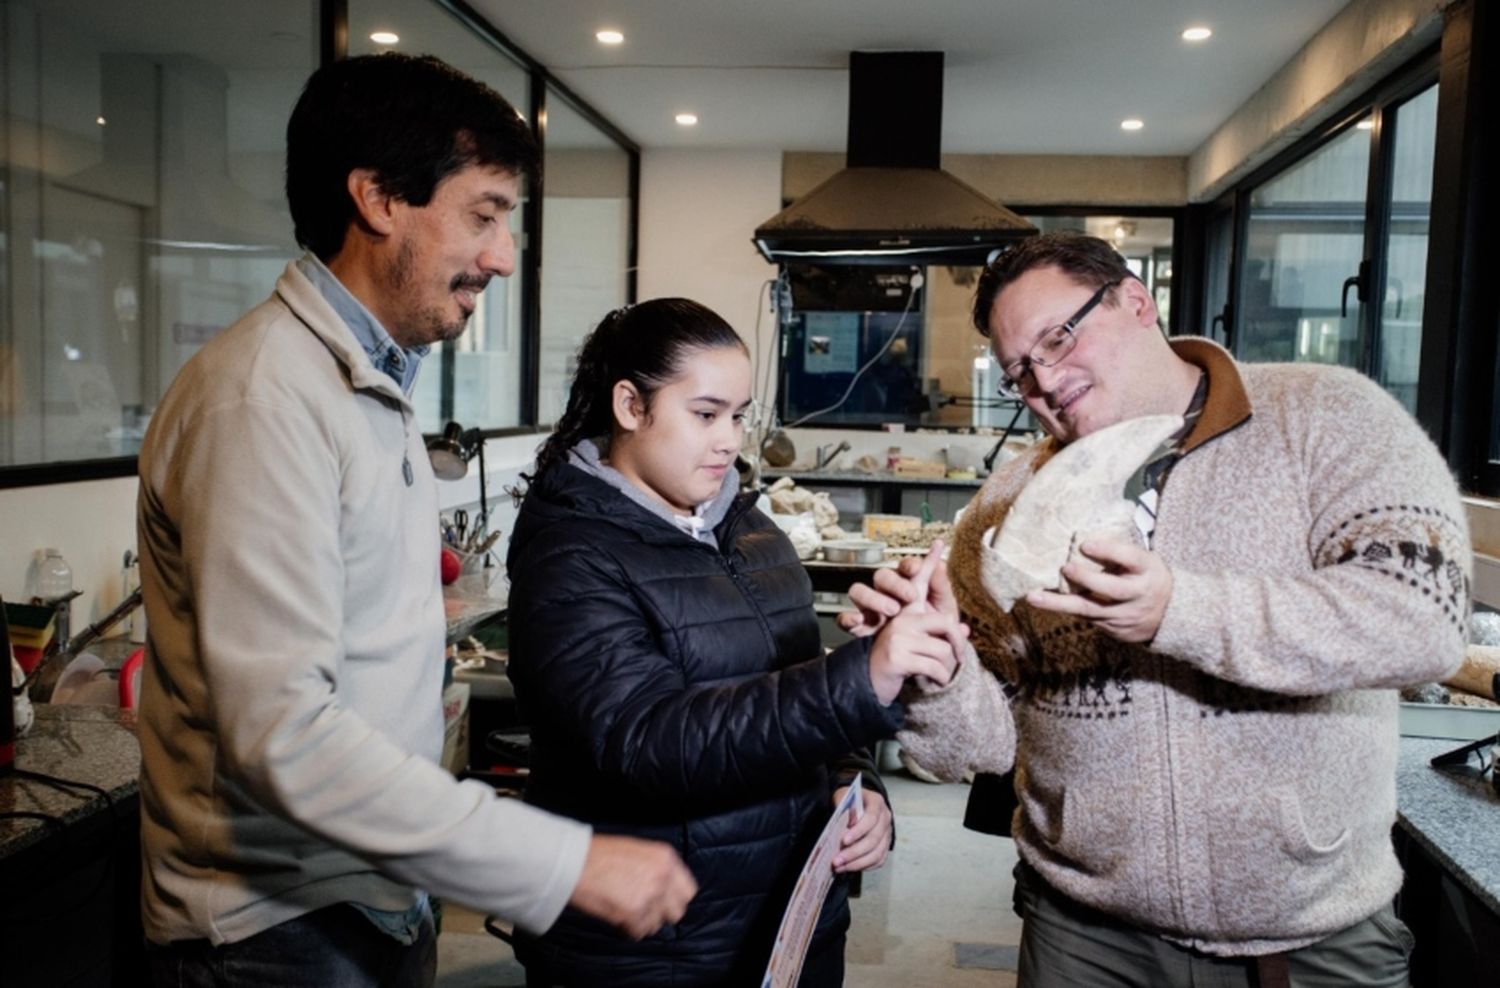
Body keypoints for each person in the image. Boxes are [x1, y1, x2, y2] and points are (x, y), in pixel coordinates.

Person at [135, 54, 695, 988]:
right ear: (379, 198)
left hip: (368, 897)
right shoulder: (262, 399)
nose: (504, 256)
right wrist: (553, 862)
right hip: (272, 932)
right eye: (483, 214)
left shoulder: (370, 381)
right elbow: (283, 734)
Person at [839, 232, 1471, 988]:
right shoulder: (1005, 510)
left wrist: (1180, 610)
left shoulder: (1327, 416)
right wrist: (934, 668)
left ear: (1136, 301)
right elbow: (972, 749)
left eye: (1059, 336)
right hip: (1084, 935)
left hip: (1309, 937)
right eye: (1019, 370)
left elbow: (1424, 620)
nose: (1043, 379)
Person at [504, 298, 966, 986]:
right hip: (657, 946)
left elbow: (798, 686)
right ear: (631, 406)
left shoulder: (754, 534)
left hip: (791, 924)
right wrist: (859, 678)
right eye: (705, 414)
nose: (729, 440)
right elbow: (645, 740)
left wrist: (855, 783)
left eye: (740, 415)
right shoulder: (571, 556)